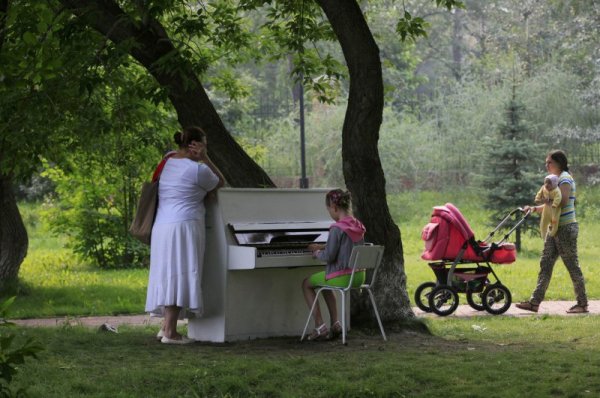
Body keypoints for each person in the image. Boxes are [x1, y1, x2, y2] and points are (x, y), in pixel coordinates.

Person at [145, 126, 225, 344]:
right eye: (204, 145)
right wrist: (206, 159)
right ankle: (171, 333)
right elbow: (220, 182)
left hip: (162, 227)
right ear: (195, 146)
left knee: (167, 275)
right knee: (180, 275)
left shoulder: (168, 160)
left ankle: (164, 328)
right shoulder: (198, 170)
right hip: (185, 226)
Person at [516, 150, 588, 314]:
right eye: (546, 162)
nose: (546, 165)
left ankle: (582, 304)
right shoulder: (555, 180)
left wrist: (545, 199)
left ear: (559, 163)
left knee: (572, 266)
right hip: (554, 227)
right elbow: (551, 205)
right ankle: (534, 302)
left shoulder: (564, 178)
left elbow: (561, 201)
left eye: (550, 162)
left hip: (565, 228)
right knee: (545, 263)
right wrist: (534, 208)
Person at [302, 189, 366, 340]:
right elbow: (345, 246)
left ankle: (320, 326)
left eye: (329, 210)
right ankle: (335, 324)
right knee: (324, 283)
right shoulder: (357, 225)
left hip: (342, 277)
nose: (329, 213)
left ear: (334, 208)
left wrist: (317, 253)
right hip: (358, 276)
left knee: (306, 284)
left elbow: (329, 257)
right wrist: (323, 246)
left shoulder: (337, 228)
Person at [534, 174, 562, 240]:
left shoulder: (556, 190)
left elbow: (558, 197)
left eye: (549, 183)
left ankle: (552, 233)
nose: (547, 184)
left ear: (554, 184)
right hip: (546, 208)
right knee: (544, 220)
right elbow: (539, 193)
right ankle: (543, 234)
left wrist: (555, 204)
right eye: (545, 182)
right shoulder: (543, 188)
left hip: (554, 209)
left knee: (554, 221)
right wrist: (537, 199)